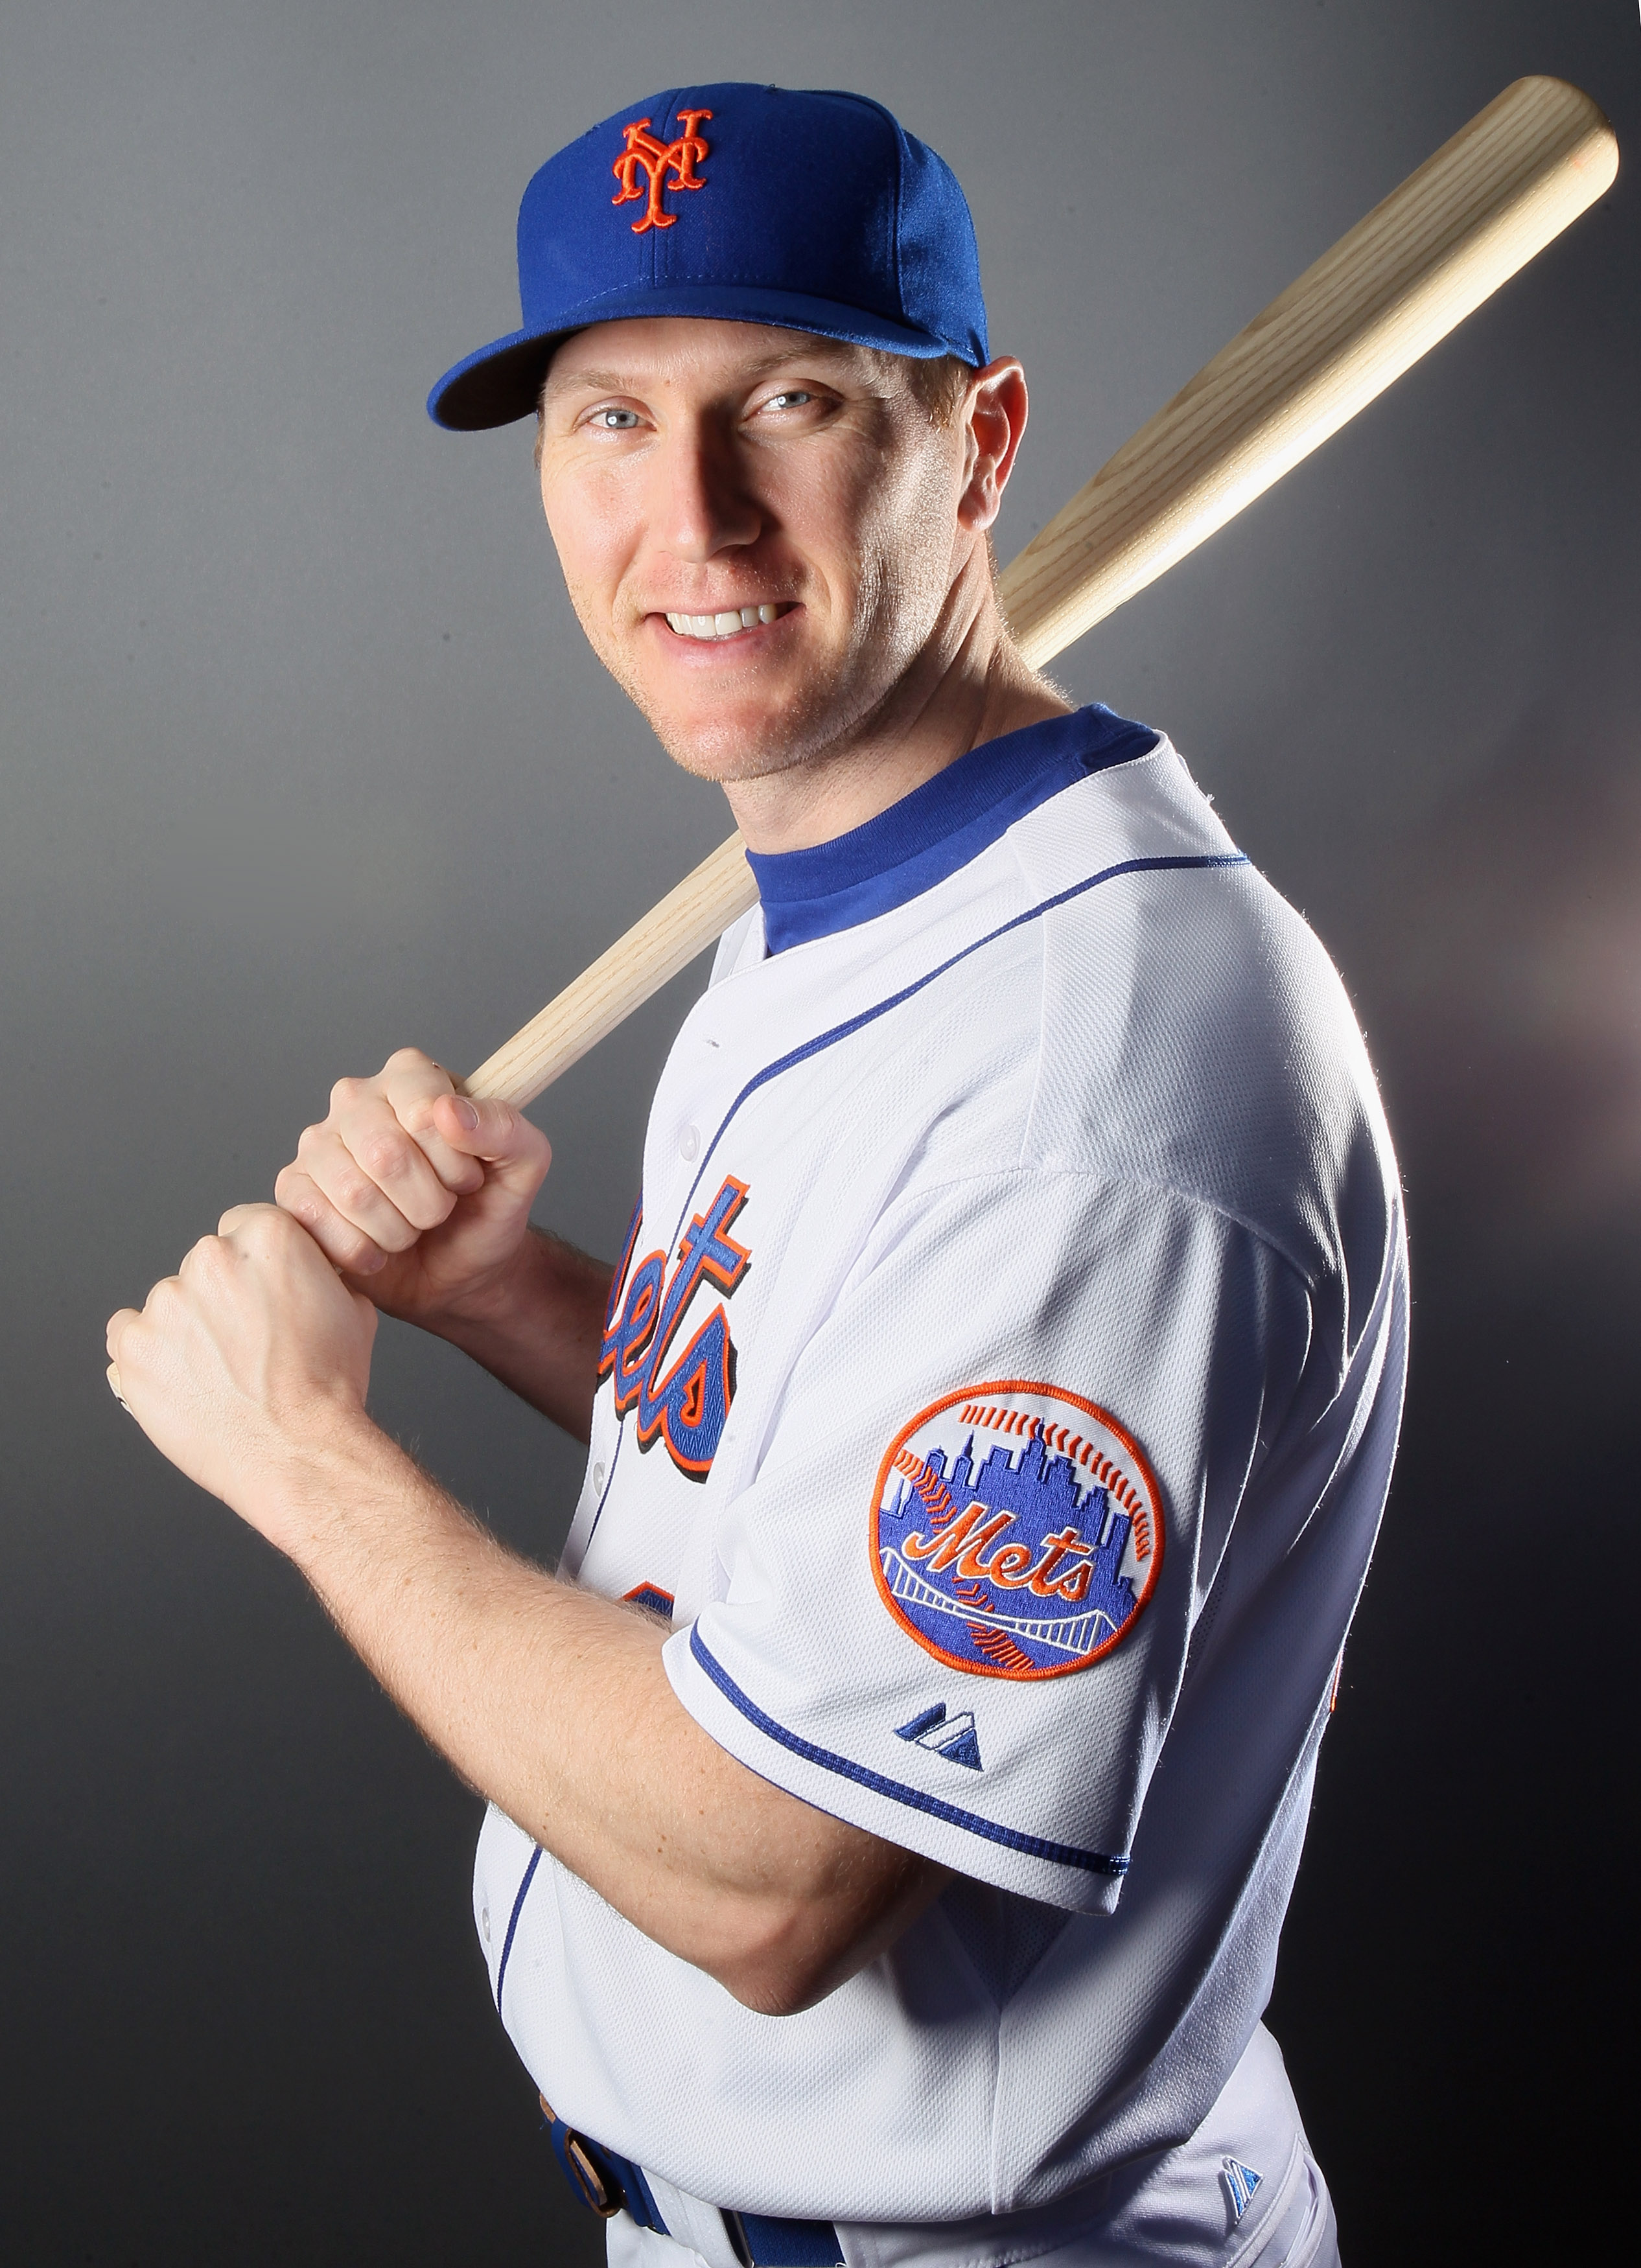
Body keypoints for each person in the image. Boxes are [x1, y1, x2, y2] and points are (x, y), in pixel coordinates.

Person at [107, 84, 1404, 2268]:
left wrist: (305, 1454)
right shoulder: (839, 882)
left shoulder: (1107, 1073)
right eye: (607, 420)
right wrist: (515, 1300)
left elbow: (771, 1870)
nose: (686, 521)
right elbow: (846, 1464)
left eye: (785, 401)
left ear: (978, 447)